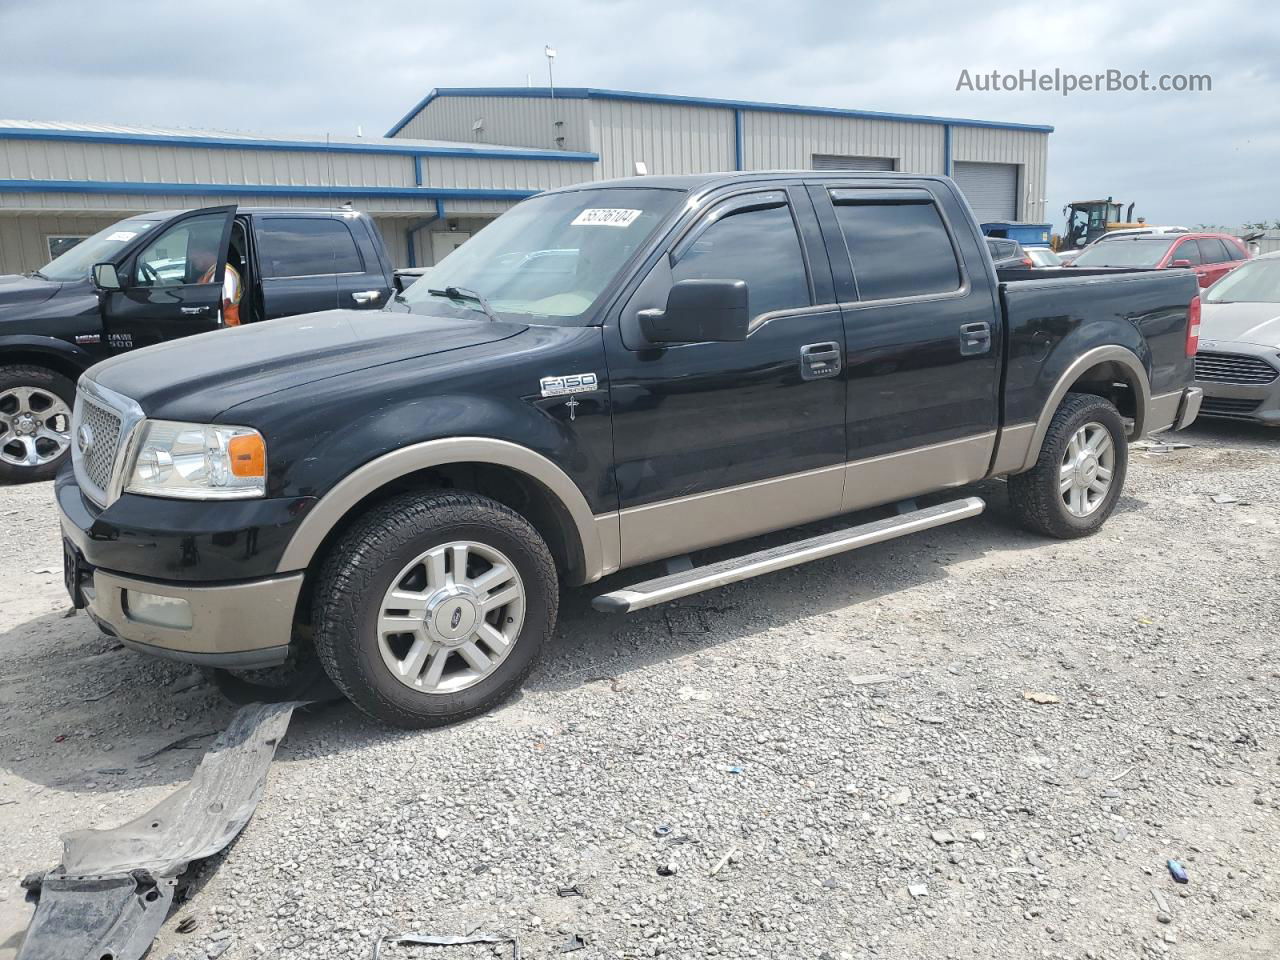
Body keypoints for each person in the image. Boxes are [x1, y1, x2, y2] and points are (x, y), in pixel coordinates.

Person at [190, 247, 243, 327]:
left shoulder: (225, 274)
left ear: (208, 254)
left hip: (226, 327)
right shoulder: (211, 273)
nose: (192, 261)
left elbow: (224, 303)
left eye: (196, 257)